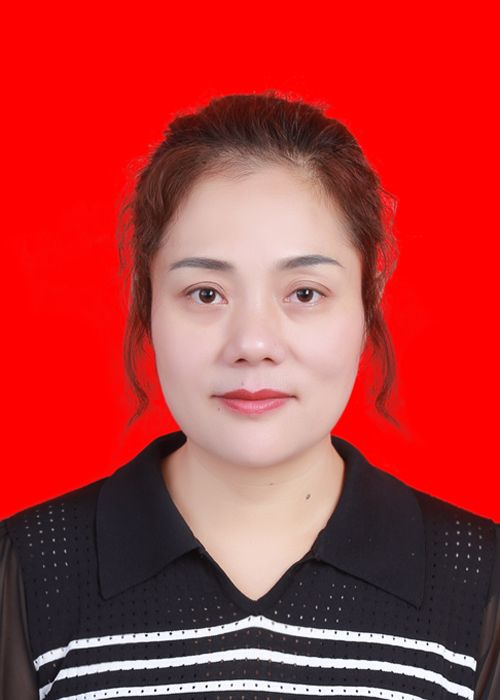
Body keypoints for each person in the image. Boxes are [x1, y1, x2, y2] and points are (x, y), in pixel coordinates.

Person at [0, 91, 498, 699]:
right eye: (206, 293)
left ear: (367, 307)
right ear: (147, 306)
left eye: (305, 293)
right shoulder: (30, 568)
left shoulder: (478, 579)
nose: (253, 344)